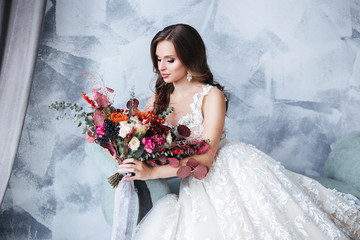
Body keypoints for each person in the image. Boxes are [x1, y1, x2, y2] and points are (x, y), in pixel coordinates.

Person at [118, 24, 360, 239]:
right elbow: (141, 138)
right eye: (158, 59)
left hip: (227, 166)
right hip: (191, 176)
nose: (162, 67)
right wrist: (122, 150)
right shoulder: (158, 98)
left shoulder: (211, 95)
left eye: (170, 60)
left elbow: (206, 157)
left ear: (189, 58)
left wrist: (151, 173)